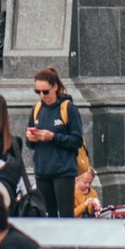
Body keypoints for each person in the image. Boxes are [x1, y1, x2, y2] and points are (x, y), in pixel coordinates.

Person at [23, 67, 82, 219]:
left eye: (45, 91)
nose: (42, 96)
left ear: (55, 87)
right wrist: (31, 138)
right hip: (42, 171)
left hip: (63, 171)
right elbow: (30, 145)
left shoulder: (68, 108)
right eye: (38, 92)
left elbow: (77, 140)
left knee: (65, 217)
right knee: (46, 217)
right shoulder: (36, 109)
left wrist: (53, 137)